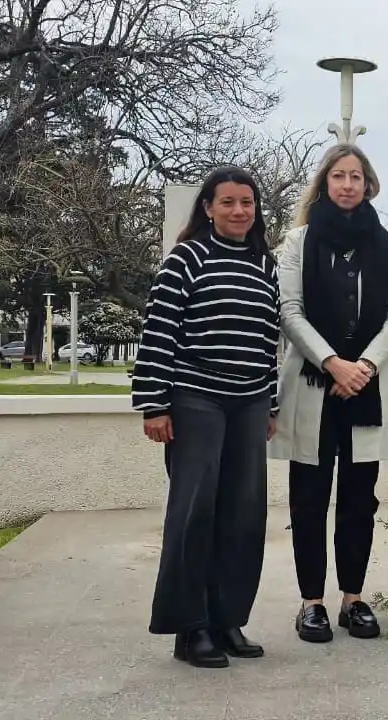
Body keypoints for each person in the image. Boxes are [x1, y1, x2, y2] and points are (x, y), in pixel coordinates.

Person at [131, 166, 280, 668]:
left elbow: (267, 341)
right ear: (209, 209)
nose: (240, 211)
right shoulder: (186, 259)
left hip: (250, 403)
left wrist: (271, 404)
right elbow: (158, 333)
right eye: (228, 202)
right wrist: (154, 403)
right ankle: (190, 627)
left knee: (244, 515)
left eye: (247, 202)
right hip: (195, 398)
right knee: (195, 513)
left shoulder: (265, 264)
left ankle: (226, 619)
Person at [269, 143, 388, 643]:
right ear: (325, 184)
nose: (348, 184)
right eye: (338, 176)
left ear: (369, 183)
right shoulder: (297, 242)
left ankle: (353, 598)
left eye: (356, 176)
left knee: (359, 500)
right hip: (314, 386)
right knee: (308, 499)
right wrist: (332, 363)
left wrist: (364, 366)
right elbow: (289, 311)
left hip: (364, 391)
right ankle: (312, 602)